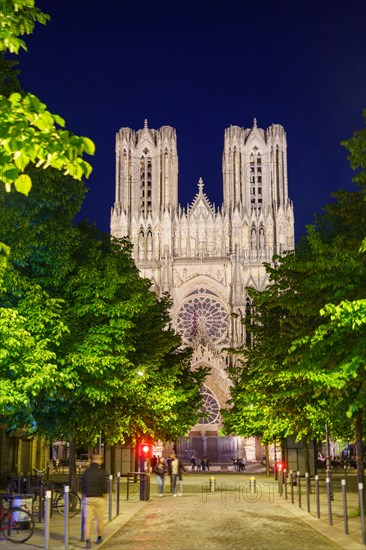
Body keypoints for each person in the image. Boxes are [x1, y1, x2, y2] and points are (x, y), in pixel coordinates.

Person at [82, 454, 107, 549]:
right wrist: (104, 497)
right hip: (99, 498)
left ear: (91, 461)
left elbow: (83, 486)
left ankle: (87, 541)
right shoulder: (102, 472)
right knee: (100, 520)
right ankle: (99, 538)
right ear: (99, 461)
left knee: (88, 521)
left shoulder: (86, 472)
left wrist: (85, 496)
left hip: (88, 499)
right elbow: (104, 488)